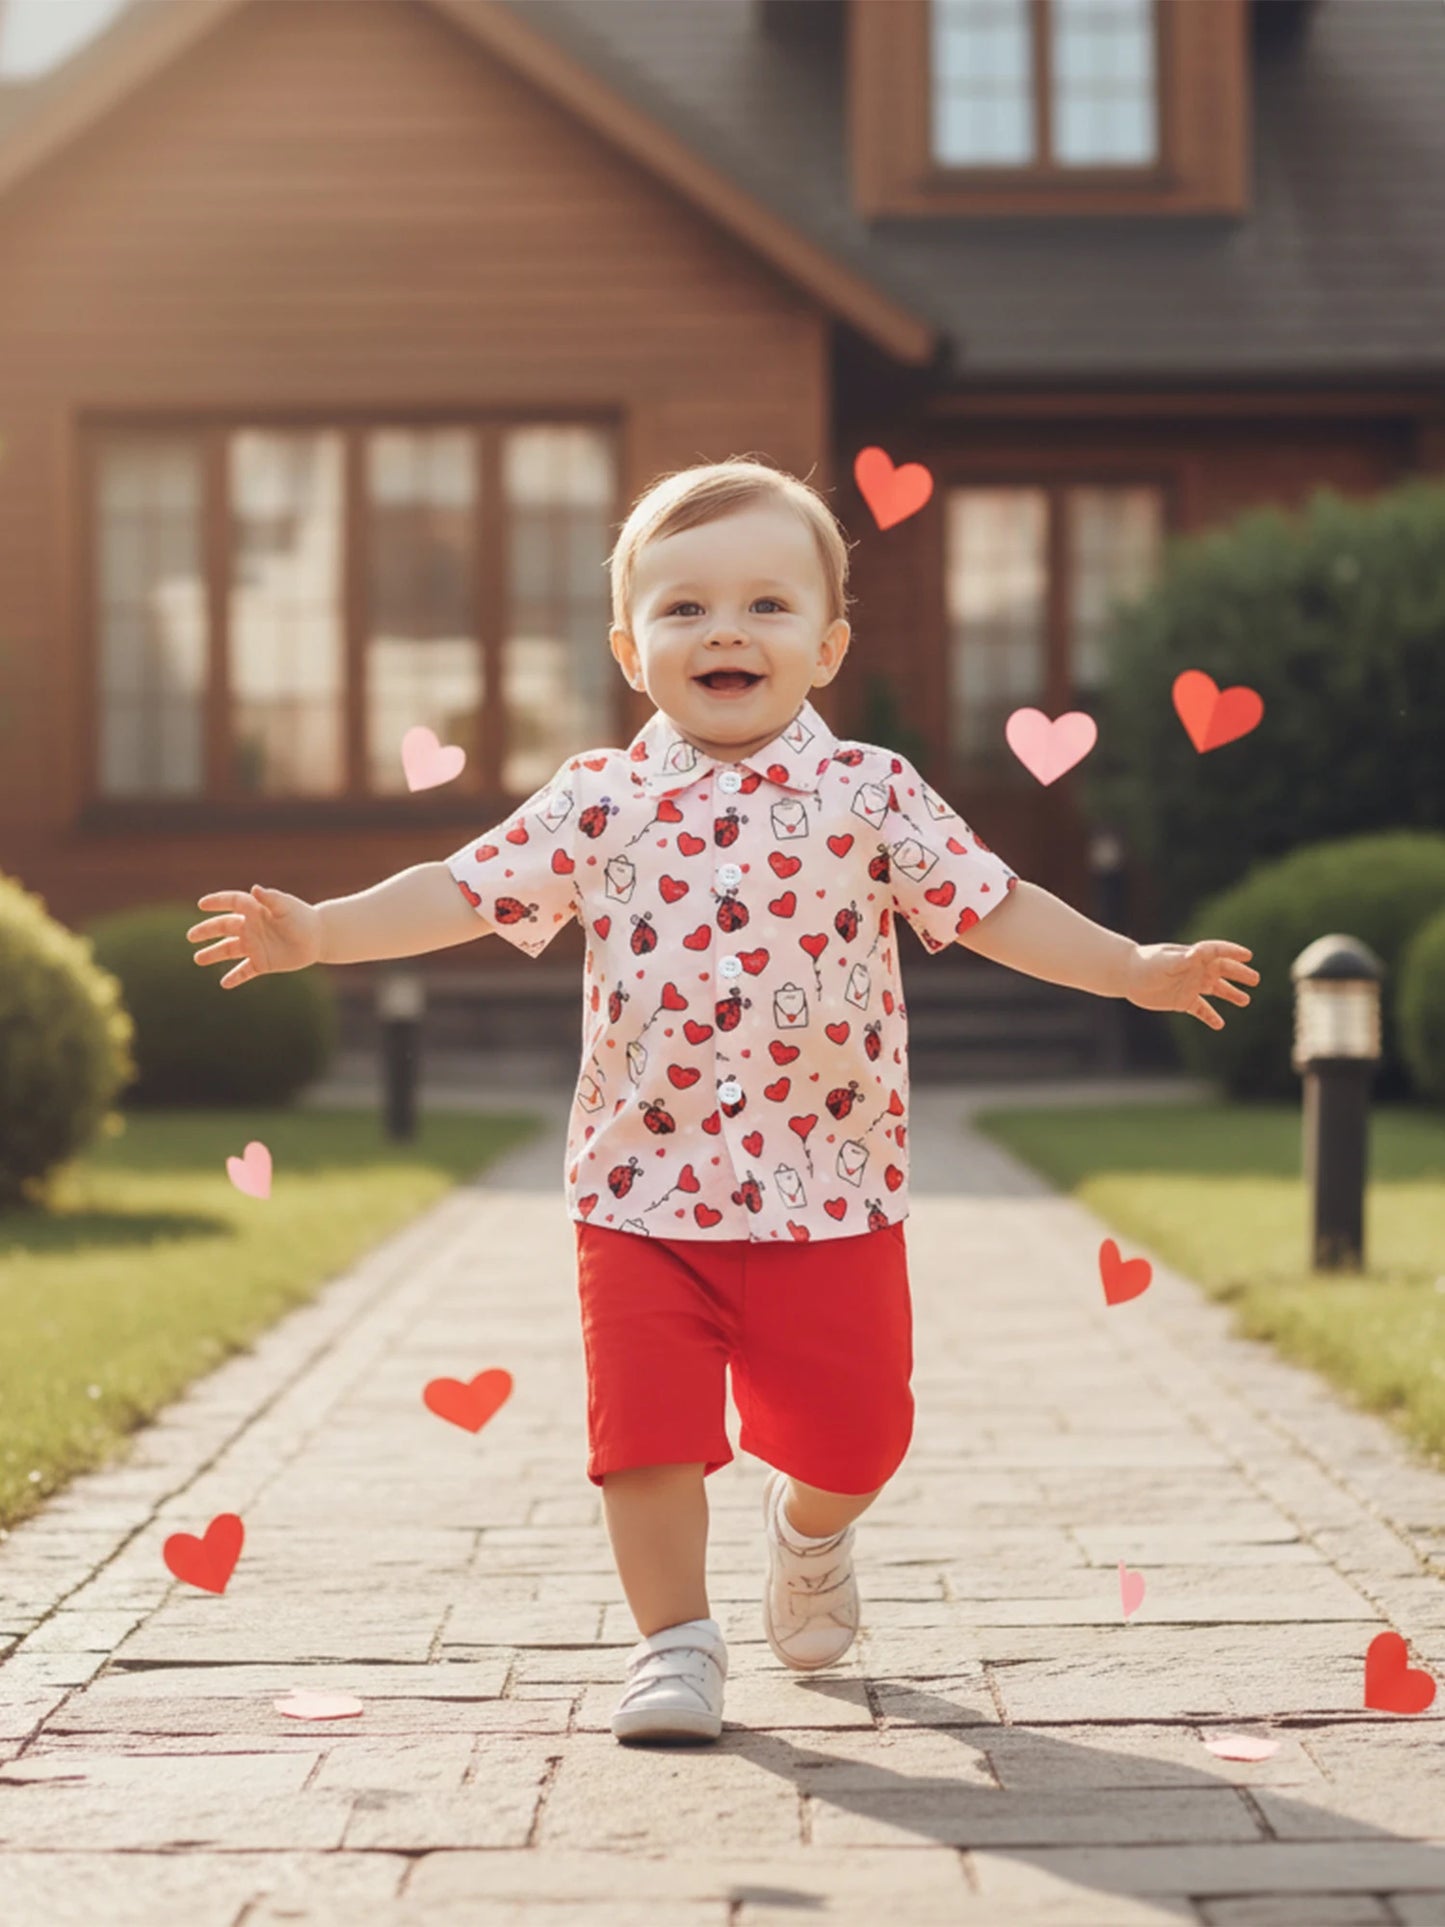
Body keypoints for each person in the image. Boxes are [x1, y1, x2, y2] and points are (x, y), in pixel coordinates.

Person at [187, 456, 1258, 1747]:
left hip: (833, 1189)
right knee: (643, 1439)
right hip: (640, 1190)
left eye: (765, 605)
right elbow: (459, 890)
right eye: (684, 608)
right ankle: (675, 1645)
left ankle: (809, 1533)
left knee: (859, 1439)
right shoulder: (599, 801)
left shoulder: (871, 793)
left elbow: (996, 906)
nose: (725, 632)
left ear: (828, 646)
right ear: (630, 651)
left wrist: (1128, 967)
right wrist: (322, 932)